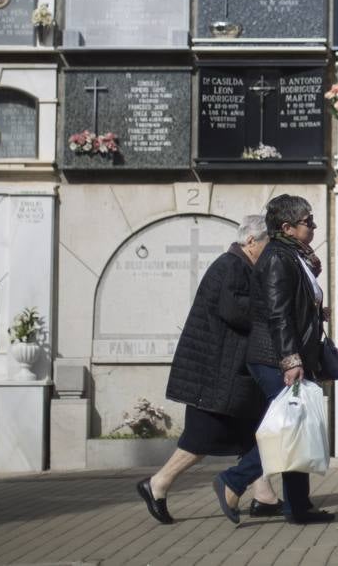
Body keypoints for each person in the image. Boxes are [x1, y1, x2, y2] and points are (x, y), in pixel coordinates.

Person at [136, 215, 282, 524]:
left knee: (252, 435)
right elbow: (234, 310)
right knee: (200, 441)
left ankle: (264, 496)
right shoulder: (231, 266)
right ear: (252, 242)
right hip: (216, 376)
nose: (270, 253)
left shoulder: (241, 266)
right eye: (268, 245)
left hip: (228, 373)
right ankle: (158, 483)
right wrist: (272, 309)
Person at [215, 195, 335, 525]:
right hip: (274, 357)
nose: (312, 226)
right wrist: (291, 359)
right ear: (287, 227)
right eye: (308, 222)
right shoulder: (279, 258)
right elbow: (279, 313)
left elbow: (290, 305)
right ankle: (234, 480)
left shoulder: (292, 256)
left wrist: (314, 312)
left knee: (295, 427)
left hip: (282, 354)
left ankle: (298, 507)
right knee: (288, 430)